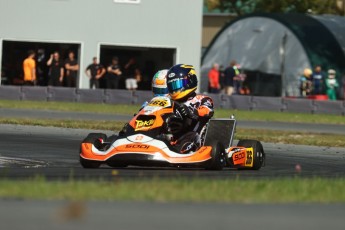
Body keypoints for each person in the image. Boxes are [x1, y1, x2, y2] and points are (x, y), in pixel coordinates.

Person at [166, 64, 214, 154]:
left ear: (190, 81)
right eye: (172, 86)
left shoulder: (202, 99)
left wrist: (192, 112)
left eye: (177, 84)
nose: (175, 89)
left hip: (192, 136)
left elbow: (208, 111)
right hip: (171, 137)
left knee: (191, 136)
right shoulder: (169, 102)